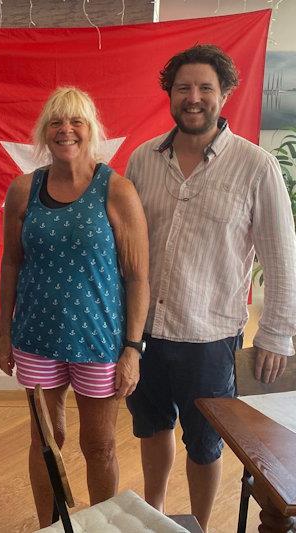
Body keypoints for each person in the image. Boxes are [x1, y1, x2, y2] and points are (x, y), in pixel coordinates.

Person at [125, 44, 296, 529]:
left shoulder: (256, 166)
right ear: (170, 94)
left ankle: (199, 525)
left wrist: (277, 334)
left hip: (210, 335)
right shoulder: (142, 159)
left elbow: (281, 256)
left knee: (205, 441)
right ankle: (153, 517)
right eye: (183, 88)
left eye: (205, 88)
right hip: (146, 333)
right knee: (151, 426)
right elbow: (128, 249)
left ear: (224, 94)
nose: (193, 97)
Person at [0, 87, 149, 528]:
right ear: (45, 132)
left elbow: (138, 275)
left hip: (99, 341)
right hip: (36, 338)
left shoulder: (116, 190)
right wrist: (6, 334)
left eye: (76, 122)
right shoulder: (25, 190)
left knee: (98, 445)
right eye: (57, 123)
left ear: (91, 130)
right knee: (46, 439)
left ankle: (99, 526)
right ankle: (50, 525)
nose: (66, 130)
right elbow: (11, 263)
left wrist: (132, 349)